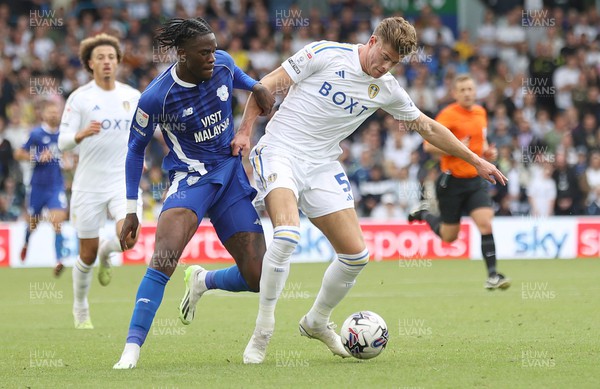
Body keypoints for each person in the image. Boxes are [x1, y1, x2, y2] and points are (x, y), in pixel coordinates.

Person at [232, 17, 508, 364]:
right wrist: (245, 131)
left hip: (322, 164)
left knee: (355, 256)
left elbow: (427, 127)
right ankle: (263, 329)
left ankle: (316, 321)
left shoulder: (387, 88)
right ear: (373, 40)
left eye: (394, 62)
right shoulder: (325, 53)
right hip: (280, 151)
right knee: (287, 235)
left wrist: (475, 160)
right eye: (385, 56)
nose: (385, 66)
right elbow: (265, 87)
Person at [112, 17, 274, 369]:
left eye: (214, 50)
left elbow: (252, 85)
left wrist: (258, 90)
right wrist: (131, 209)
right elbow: (134, 151)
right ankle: (131, 350)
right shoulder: (156, 97)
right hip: (190, 179)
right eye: (205, 52)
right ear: (182, 55)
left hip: (230, 175)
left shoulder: (225, 64)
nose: (213, 58)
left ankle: (204, 280)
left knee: (259, 277)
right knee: (165, 258)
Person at [58, 33, 143, 329]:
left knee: (129, 240)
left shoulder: (133, 97)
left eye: (111, 57)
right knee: (86, 253)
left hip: (123, 183)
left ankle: (110, 252)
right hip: (88, 185)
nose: (107, 62)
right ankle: (80, 307)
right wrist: (80, 135)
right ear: (89, 64)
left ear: (118, 62)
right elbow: (62, 142)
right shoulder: (80, 98)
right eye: (100, 58)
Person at [409, 74, 511, 290]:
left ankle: (493, 275)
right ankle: (425, 212)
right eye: (462, 90)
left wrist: (488, 152)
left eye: (470, 89)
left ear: (475, 91)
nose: (467, 93)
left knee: (485, 223)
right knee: (449, 237)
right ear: (455, 93)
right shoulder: (448, 115)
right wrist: (454, 145)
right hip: (451, 182)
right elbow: (428, 147)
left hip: (475, 180)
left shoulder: (481, 113)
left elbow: (479, 145)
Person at [14, 101, 67, 277]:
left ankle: (59, 260)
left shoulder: (63, 135)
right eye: (50, 112)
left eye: (56, 112)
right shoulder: (36, 133)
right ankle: (26, 241)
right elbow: (19, 153)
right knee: (33, 223)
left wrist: (68, 161)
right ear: (43, 115)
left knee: (57, 221)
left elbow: (67, 156)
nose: (54, 115)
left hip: (56, 186)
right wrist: (36, 156)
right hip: (38, 186)